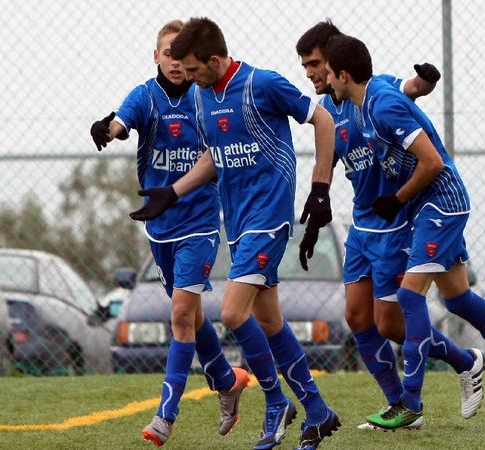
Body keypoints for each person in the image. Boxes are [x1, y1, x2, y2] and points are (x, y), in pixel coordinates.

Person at [129, 17, 340, 450]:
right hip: (238, 222)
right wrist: (172, 191)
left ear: (213, 59)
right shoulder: (204, 96)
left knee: (231, 312)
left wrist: (320, 189)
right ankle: (317, 412)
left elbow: (322, 121)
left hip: (270, 217)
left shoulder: (263, 84)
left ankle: (276, 401)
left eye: (191, 69)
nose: (185, 78)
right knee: (269, 320)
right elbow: (214, 155)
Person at [323, 34, 485, 429]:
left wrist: (396, 200)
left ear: (342, 74)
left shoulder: (383, 104)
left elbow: (432, 164)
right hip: (425, 206)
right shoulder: (364, 101)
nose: (321, 78)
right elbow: (410, 88)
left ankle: (411, 403)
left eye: (324, 71)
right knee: (458, 299)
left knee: (409, 296)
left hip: (439, 203)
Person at [295, 20, 485, 429]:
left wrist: (425, 80)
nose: (309, 73)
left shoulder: (374, 92)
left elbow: (410, 89)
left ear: (335, 64)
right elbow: (323, 158)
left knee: (390, 323)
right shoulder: (327, 110)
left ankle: (465, 362)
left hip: (396, 222)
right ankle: (399, 404)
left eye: (313, 64)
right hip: (363, 226)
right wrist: (318, 200)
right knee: (357, 318)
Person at [89, 20, 250, 447]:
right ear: (156, 57)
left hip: (199, 221)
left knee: (180, 314)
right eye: (168, 54)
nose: (176, 63)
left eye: (182, 56)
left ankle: (165, 415)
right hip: (159, 227)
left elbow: (218, 153)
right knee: (191, 315)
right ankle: (225, 380)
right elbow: (121, 123)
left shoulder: (204, 98)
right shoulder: (145, 96)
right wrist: (107, 129)